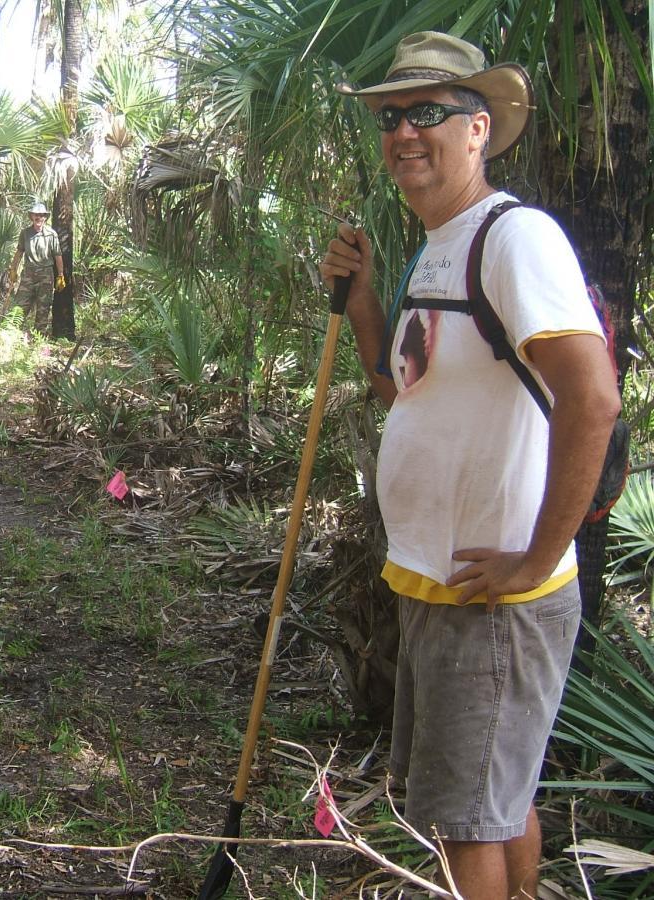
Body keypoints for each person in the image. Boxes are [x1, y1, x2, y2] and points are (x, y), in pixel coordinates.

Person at [320, 32, 620, 900]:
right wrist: (370, 301)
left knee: (463, 821)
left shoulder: (513, 237)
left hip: (493, 597)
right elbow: (403, 395)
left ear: (480, 129)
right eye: (391, 116)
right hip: (438, 583)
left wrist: (534, 557)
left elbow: (592, 398)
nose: (405, 131)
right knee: (493, 800)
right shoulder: (439, 244)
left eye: (429, 113)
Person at [8, 201, 65, 335]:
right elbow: (19, 253)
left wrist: (61, 275)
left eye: (41, 215)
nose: (38, 218)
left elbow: (57, 255)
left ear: (45, 217)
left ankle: (39, 339)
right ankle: (13, 335)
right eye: (36, 215)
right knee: (20, 306)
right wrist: (13, 270)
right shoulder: (25, 233)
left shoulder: (51, 234)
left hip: (46, 275)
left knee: (43, 309)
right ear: (32, 217)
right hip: (28, 274)